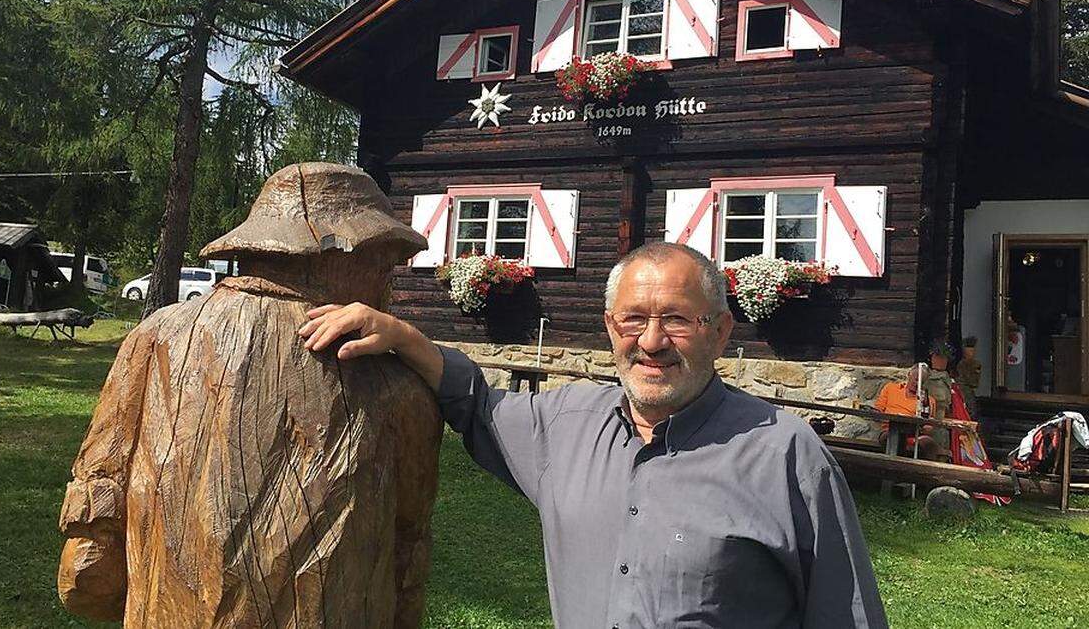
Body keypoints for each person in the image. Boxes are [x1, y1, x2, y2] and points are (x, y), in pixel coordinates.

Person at [300, 241, 887, 628]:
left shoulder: (786, 455)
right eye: (634, 319)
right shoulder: (564, 426)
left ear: (720, 331)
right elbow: (474, 400)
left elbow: (848, 616)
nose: (652, 341)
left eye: (677, 320)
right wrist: (400, 335)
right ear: (611, 327)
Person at [57, 163, 442, 627]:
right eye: (387, 264)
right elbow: (409, 551)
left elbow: (88, 564)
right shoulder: (397, 385)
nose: (390, 283)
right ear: (345, 254)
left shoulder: (156, 335)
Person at [874, 364, 943, 461]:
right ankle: (895, 469)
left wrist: (923, 427)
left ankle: (926, 474)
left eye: (921, 382)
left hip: (914, 433)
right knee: (895, 438)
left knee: (929, 443)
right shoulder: (891, 389)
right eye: (916, 379)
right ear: (909, 374)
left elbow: (929, 427)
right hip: (889, 430)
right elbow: (877, 411)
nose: (917, 384)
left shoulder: (927, 400)